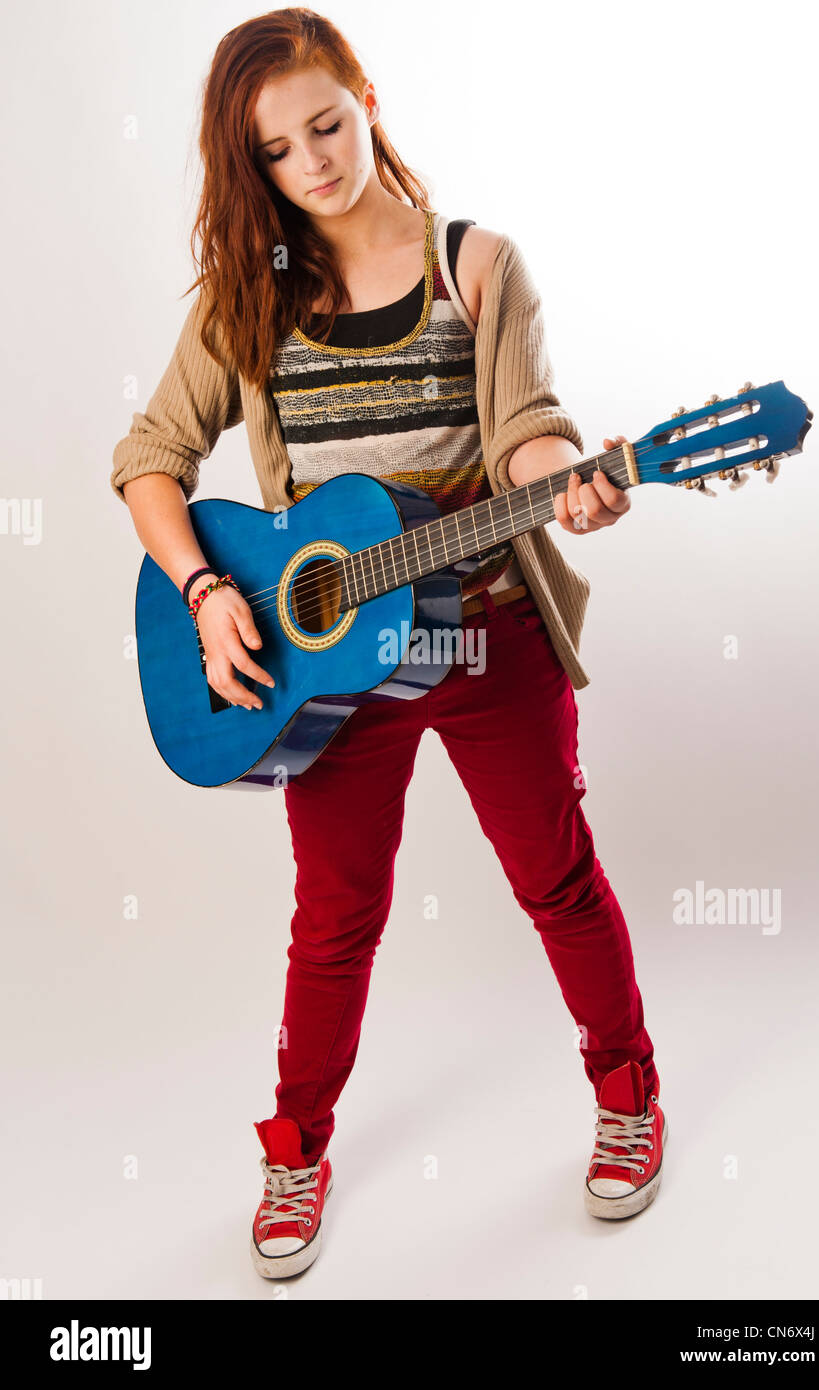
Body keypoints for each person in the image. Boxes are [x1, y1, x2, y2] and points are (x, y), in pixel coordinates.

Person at [111, 7, 667, 1281]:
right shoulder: (245, 305)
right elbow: (150, 460)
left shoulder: (477, 265)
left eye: (327, 122)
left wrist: (568, 478)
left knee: (557, 878)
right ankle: (295, 1149)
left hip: (488, 639)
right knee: (334, 920)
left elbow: (528, 428)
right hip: (329, 679)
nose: (313, 160)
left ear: (366, 97)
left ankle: (628, 1094)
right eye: (276, 150)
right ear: (245, 167)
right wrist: (203, 588)